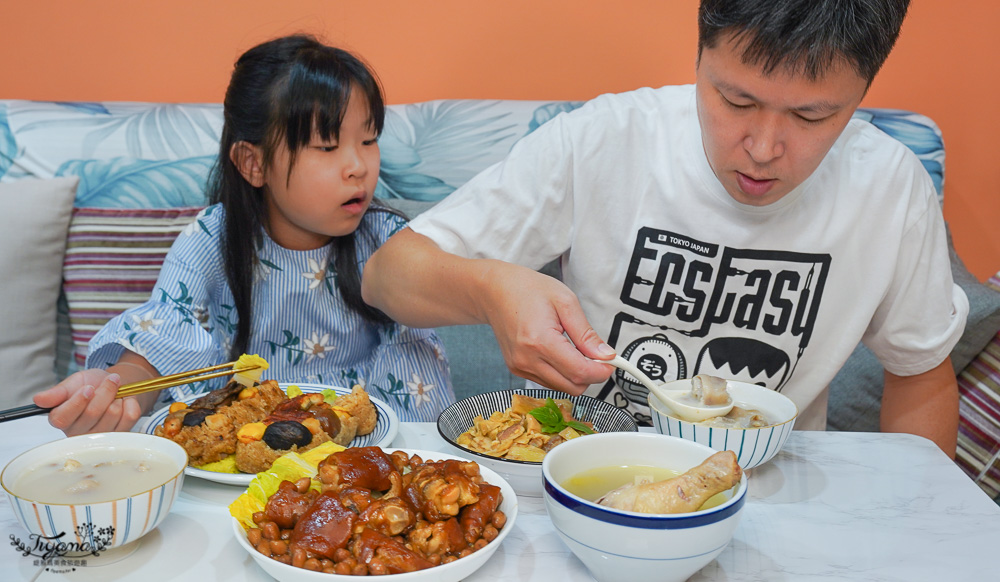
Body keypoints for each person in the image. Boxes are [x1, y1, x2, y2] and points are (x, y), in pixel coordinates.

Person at [361, 0, 967, 457]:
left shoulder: (890, 185)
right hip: (585, 472)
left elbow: (919, 374)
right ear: (700, 56)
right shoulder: (606, 140)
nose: (762, 148)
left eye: (813, 115)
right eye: (735, 101)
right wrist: (493, 290)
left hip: (772, 501)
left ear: (862, 94)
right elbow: (385, 278)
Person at [35, 34, 454, 435]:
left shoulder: (385, 238)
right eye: (327, 147)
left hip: (362, 447)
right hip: (242, 448)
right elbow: (161, 340)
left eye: (368, 140)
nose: (358, 166)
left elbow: (415, 352)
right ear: (252, 163)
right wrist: (114, 390)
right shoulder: (210, 240)